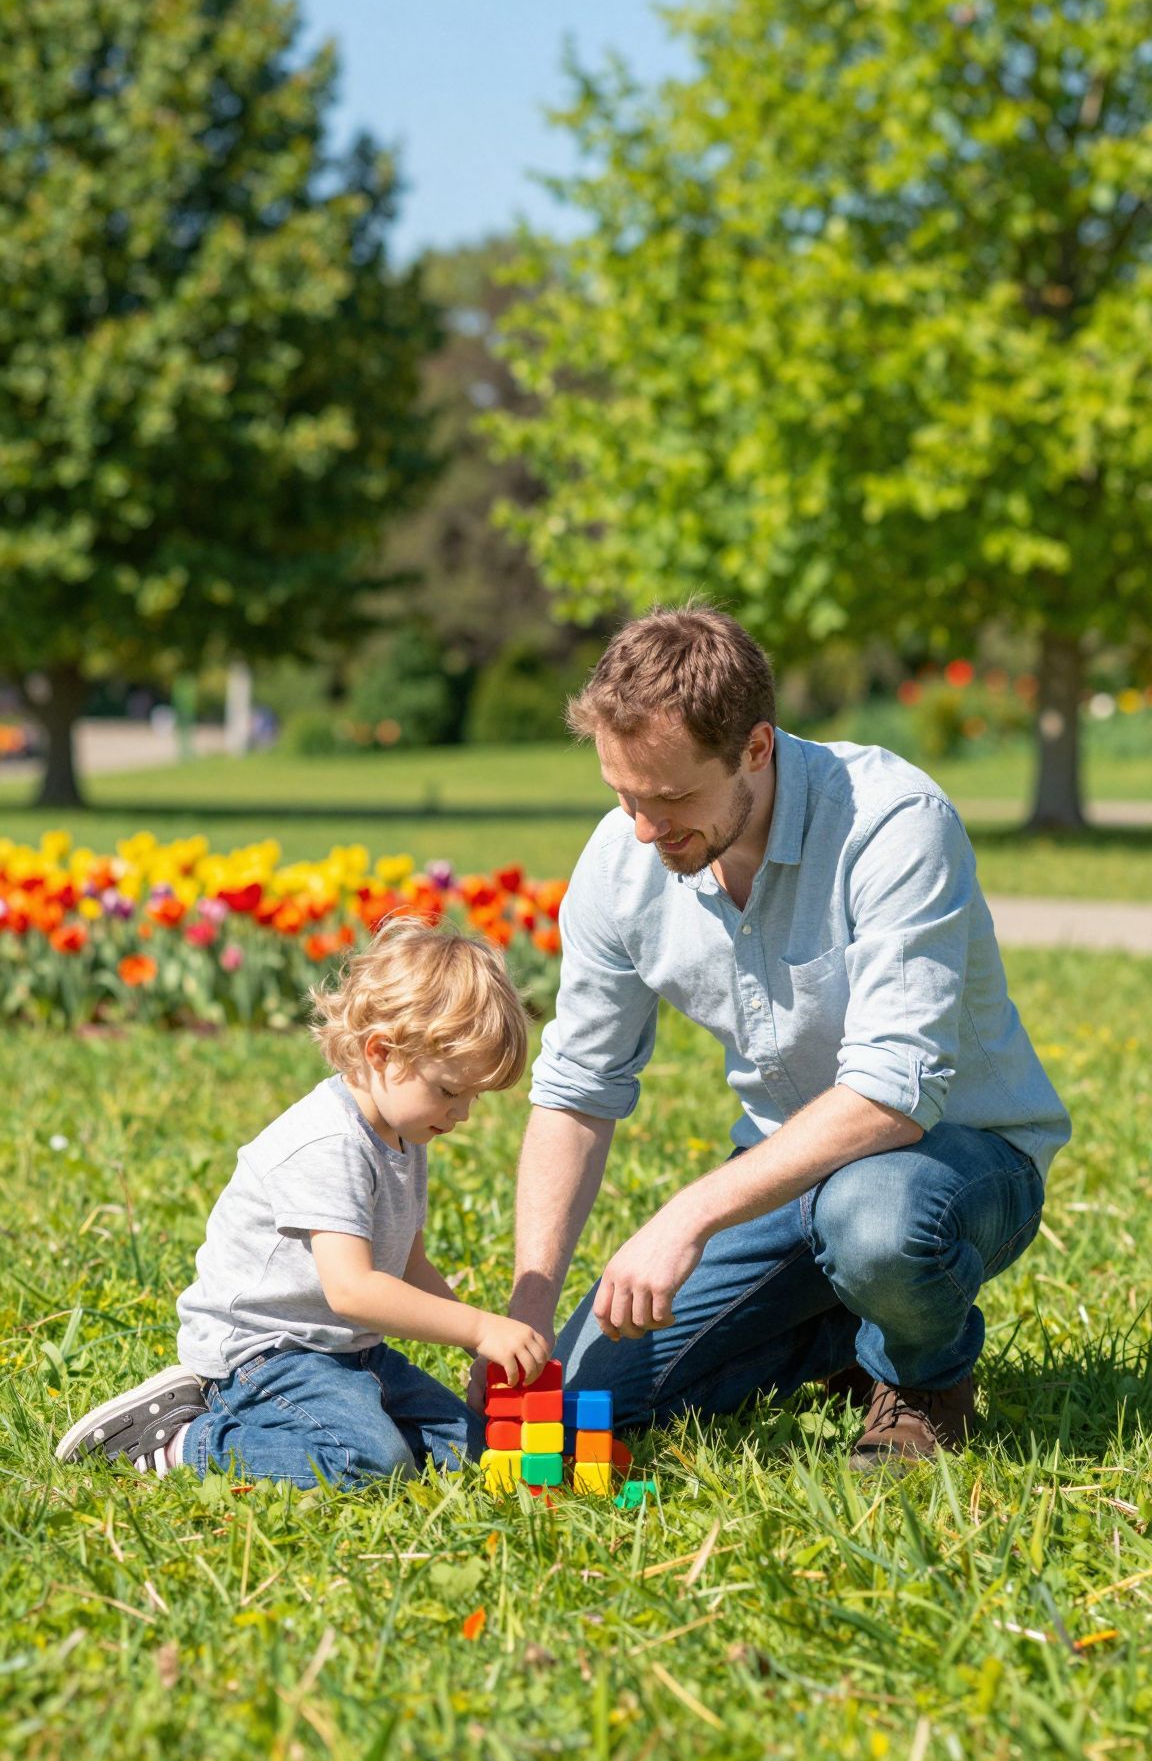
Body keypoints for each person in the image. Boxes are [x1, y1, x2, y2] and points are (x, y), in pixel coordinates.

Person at [480, 606, 1071, 1467]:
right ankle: (835, 1333)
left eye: (672, 797)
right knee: (583, 1409)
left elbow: (891, 1098)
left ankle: (923, 1381)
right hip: (784, 1181)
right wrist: (526, 1313)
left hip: (956, 1164)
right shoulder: (624, 858)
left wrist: (688, 1213)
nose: (644, 829)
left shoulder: (892, 823)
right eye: (623, 794)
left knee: (874, 1221)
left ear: (756, 748)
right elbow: (575, 1091)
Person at [56, 921, 550, 1487]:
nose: (463, 1113)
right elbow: (353, 1290)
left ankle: (352, 1426)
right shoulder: (329, 1143)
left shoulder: (406, 1134)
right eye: (450, 1091)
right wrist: (480, 1327)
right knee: (367, 1460)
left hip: (351, 1351)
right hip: (268, 1353)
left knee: (474, 1449)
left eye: (474, 1096)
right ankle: (178, 1440)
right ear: (382, 1051)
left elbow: (409, 1268)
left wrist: (477, 1340)